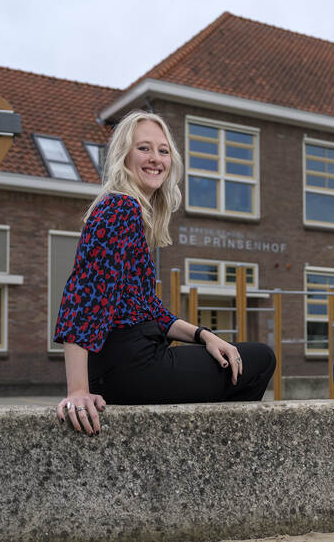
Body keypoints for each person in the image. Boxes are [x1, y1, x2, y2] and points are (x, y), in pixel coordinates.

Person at [54, 110, 275, 434]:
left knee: (235, 356)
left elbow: (148, 308)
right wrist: (77, 391)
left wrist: (205, 336)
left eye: (163, 150)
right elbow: (83, 297)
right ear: (123, 156)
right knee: (260, 360)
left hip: (124, 365)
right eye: (144, 148)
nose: (155, 158)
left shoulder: (128, 212)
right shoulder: (121, 208)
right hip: (132, 366)